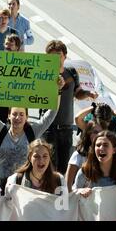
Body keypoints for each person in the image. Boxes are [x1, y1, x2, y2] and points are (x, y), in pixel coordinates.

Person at [0, 87, 62, 190]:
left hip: (22, 185)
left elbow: (50, 115)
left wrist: (58, 91)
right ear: (9, 116)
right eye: (14, 114)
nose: (18, 118)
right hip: (0, 184)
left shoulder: (32, 131)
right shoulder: (0, 130)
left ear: (27, 117)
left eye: (21, 114)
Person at [42, 40, 98, 174]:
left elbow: (77, 93)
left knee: (63, 167)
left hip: (66, 127)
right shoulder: (42, 74)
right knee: (49, 167)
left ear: (65, 56)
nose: (56, 58)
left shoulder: (71, 72)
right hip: (48, 128)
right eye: (52, 55)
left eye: (59, 55)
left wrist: (88, 93)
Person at [73, 131, 116, 196]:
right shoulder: (85, 173)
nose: (101, 148)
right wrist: (80, 191)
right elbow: (73, 195)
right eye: (98, 145)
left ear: (114, 150)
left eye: (105, 145)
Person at [65, 121, 101, 192]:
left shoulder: (106, 155)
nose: (99, 136)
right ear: (88, 134)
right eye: (95, 132)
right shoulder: (78, 155)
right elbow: (67, 186)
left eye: (101, 132)